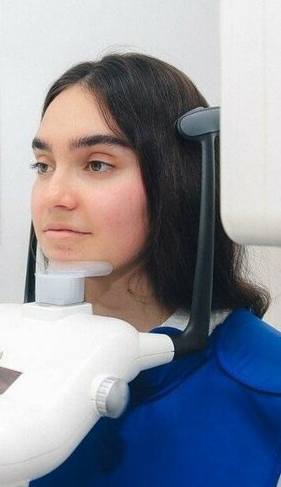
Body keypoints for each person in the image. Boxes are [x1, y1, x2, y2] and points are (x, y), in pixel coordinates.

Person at [28, 53, 281, 487]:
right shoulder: (15, 352)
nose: (54, 196)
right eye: (43, 165)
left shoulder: (267, 380)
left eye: (97, 164)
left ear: (178, 179)